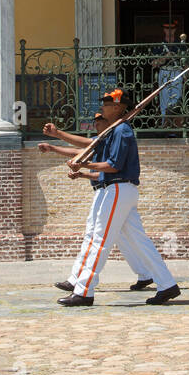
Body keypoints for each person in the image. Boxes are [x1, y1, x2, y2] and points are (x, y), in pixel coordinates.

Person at [60, 88, 181, 307]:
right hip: (117, 189)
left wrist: (83, 164)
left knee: (99, 239)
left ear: (118, 107)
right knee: (140, 242)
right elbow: (91, 146)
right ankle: (167, 284)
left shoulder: (122, 131)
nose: (103, 107)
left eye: (107, 104)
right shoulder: (113, 131)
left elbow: (113, 166)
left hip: (117, 187)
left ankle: (84, 290)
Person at [39, 112, 156, 293]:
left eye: (99, 120)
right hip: (109, 191)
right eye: (94, 121)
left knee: (96, 237)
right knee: (129, 239)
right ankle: (147, 274)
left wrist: (58, 134)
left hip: (113, 191)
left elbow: (107, 167)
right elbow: (80, 152)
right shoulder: (103, 142)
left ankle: (80, 283)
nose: (95, 124)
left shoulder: (112, 138)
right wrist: (54, 148)